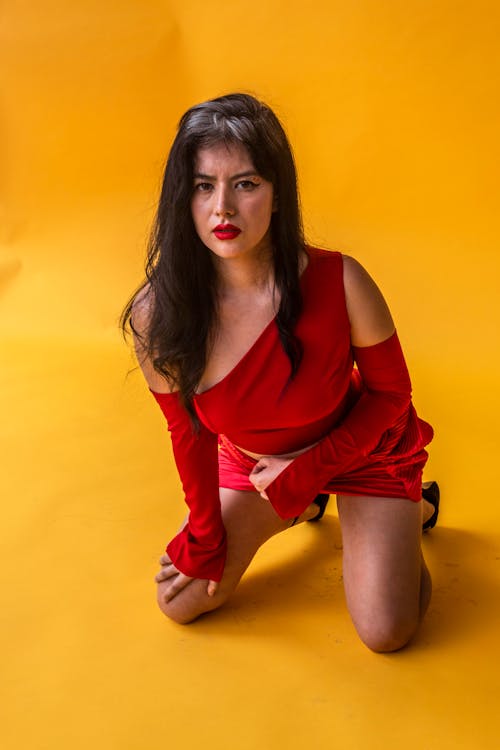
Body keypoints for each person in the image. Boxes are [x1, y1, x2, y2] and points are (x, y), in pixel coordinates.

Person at [121, 92, 439, 652]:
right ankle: (307, 507)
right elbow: (187, 431)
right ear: (182, 197)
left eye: (245, 184)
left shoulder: (342, 280)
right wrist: (203, 531)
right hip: (259, 465)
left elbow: (392, 394)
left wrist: (309, 468)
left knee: (387, 632)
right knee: (181, 601)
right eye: (203, 185)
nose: (223, 208)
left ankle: (416, 508)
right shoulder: (158, 312)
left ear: (277, 194)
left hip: (364, 449)